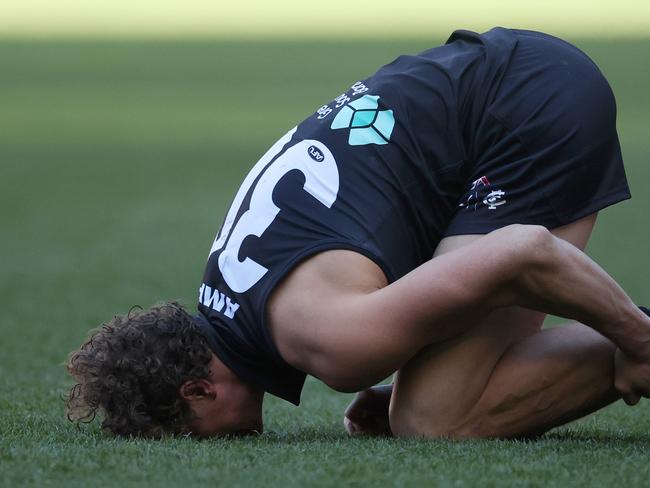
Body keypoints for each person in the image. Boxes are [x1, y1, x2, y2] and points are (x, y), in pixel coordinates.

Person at [67, 27, 650, 439]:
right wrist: (406, 387)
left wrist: (636, 335)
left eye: (191, 435)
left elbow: (524, 252)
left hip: (527, 111)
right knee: (420, 404)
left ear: (198, 391)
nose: (210, 445)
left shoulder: (333, 340)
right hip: (507, 83)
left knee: (433, 419)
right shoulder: (230, 282)